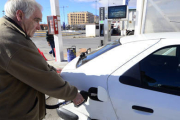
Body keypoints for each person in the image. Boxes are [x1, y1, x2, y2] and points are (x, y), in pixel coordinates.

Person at [0, 0, 84, 120]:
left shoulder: (9, 31)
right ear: (19, 15)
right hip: (14, 113)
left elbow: (34, 65)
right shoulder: (11, 40)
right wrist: (73, 94)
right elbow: (43, 77)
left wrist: (53, 70)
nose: (39, 26)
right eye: (36, 20)